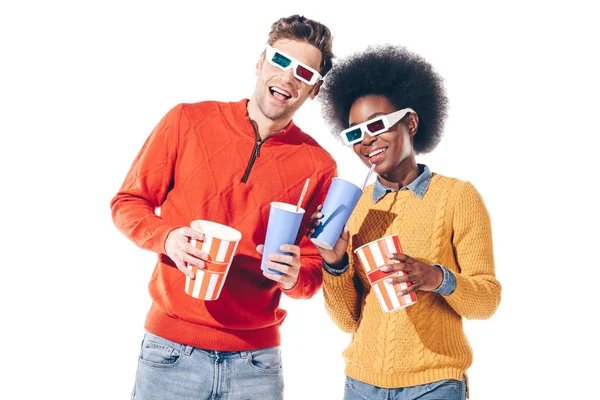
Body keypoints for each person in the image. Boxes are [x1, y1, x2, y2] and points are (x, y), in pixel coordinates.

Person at [111, 15, 336, 400]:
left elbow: (313, 272)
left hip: (257, 364)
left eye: (304, 73)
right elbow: (127, 203)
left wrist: (294, 276)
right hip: (170, 353)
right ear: (260, 62)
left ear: (313, 91)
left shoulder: (319, 165)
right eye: (280, 61)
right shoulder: (188, 120)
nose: (287, 78)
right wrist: (168, 238)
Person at [311, 44, 501, 400]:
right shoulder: (355, 206)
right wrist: (334, 263)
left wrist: (436, 278)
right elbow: (347, 321)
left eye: (377, 125)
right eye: (355, 133)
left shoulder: (457, 197)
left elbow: (487, 301)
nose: (366, 141)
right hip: (361, 384)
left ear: (411, 122)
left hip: (434, 385)